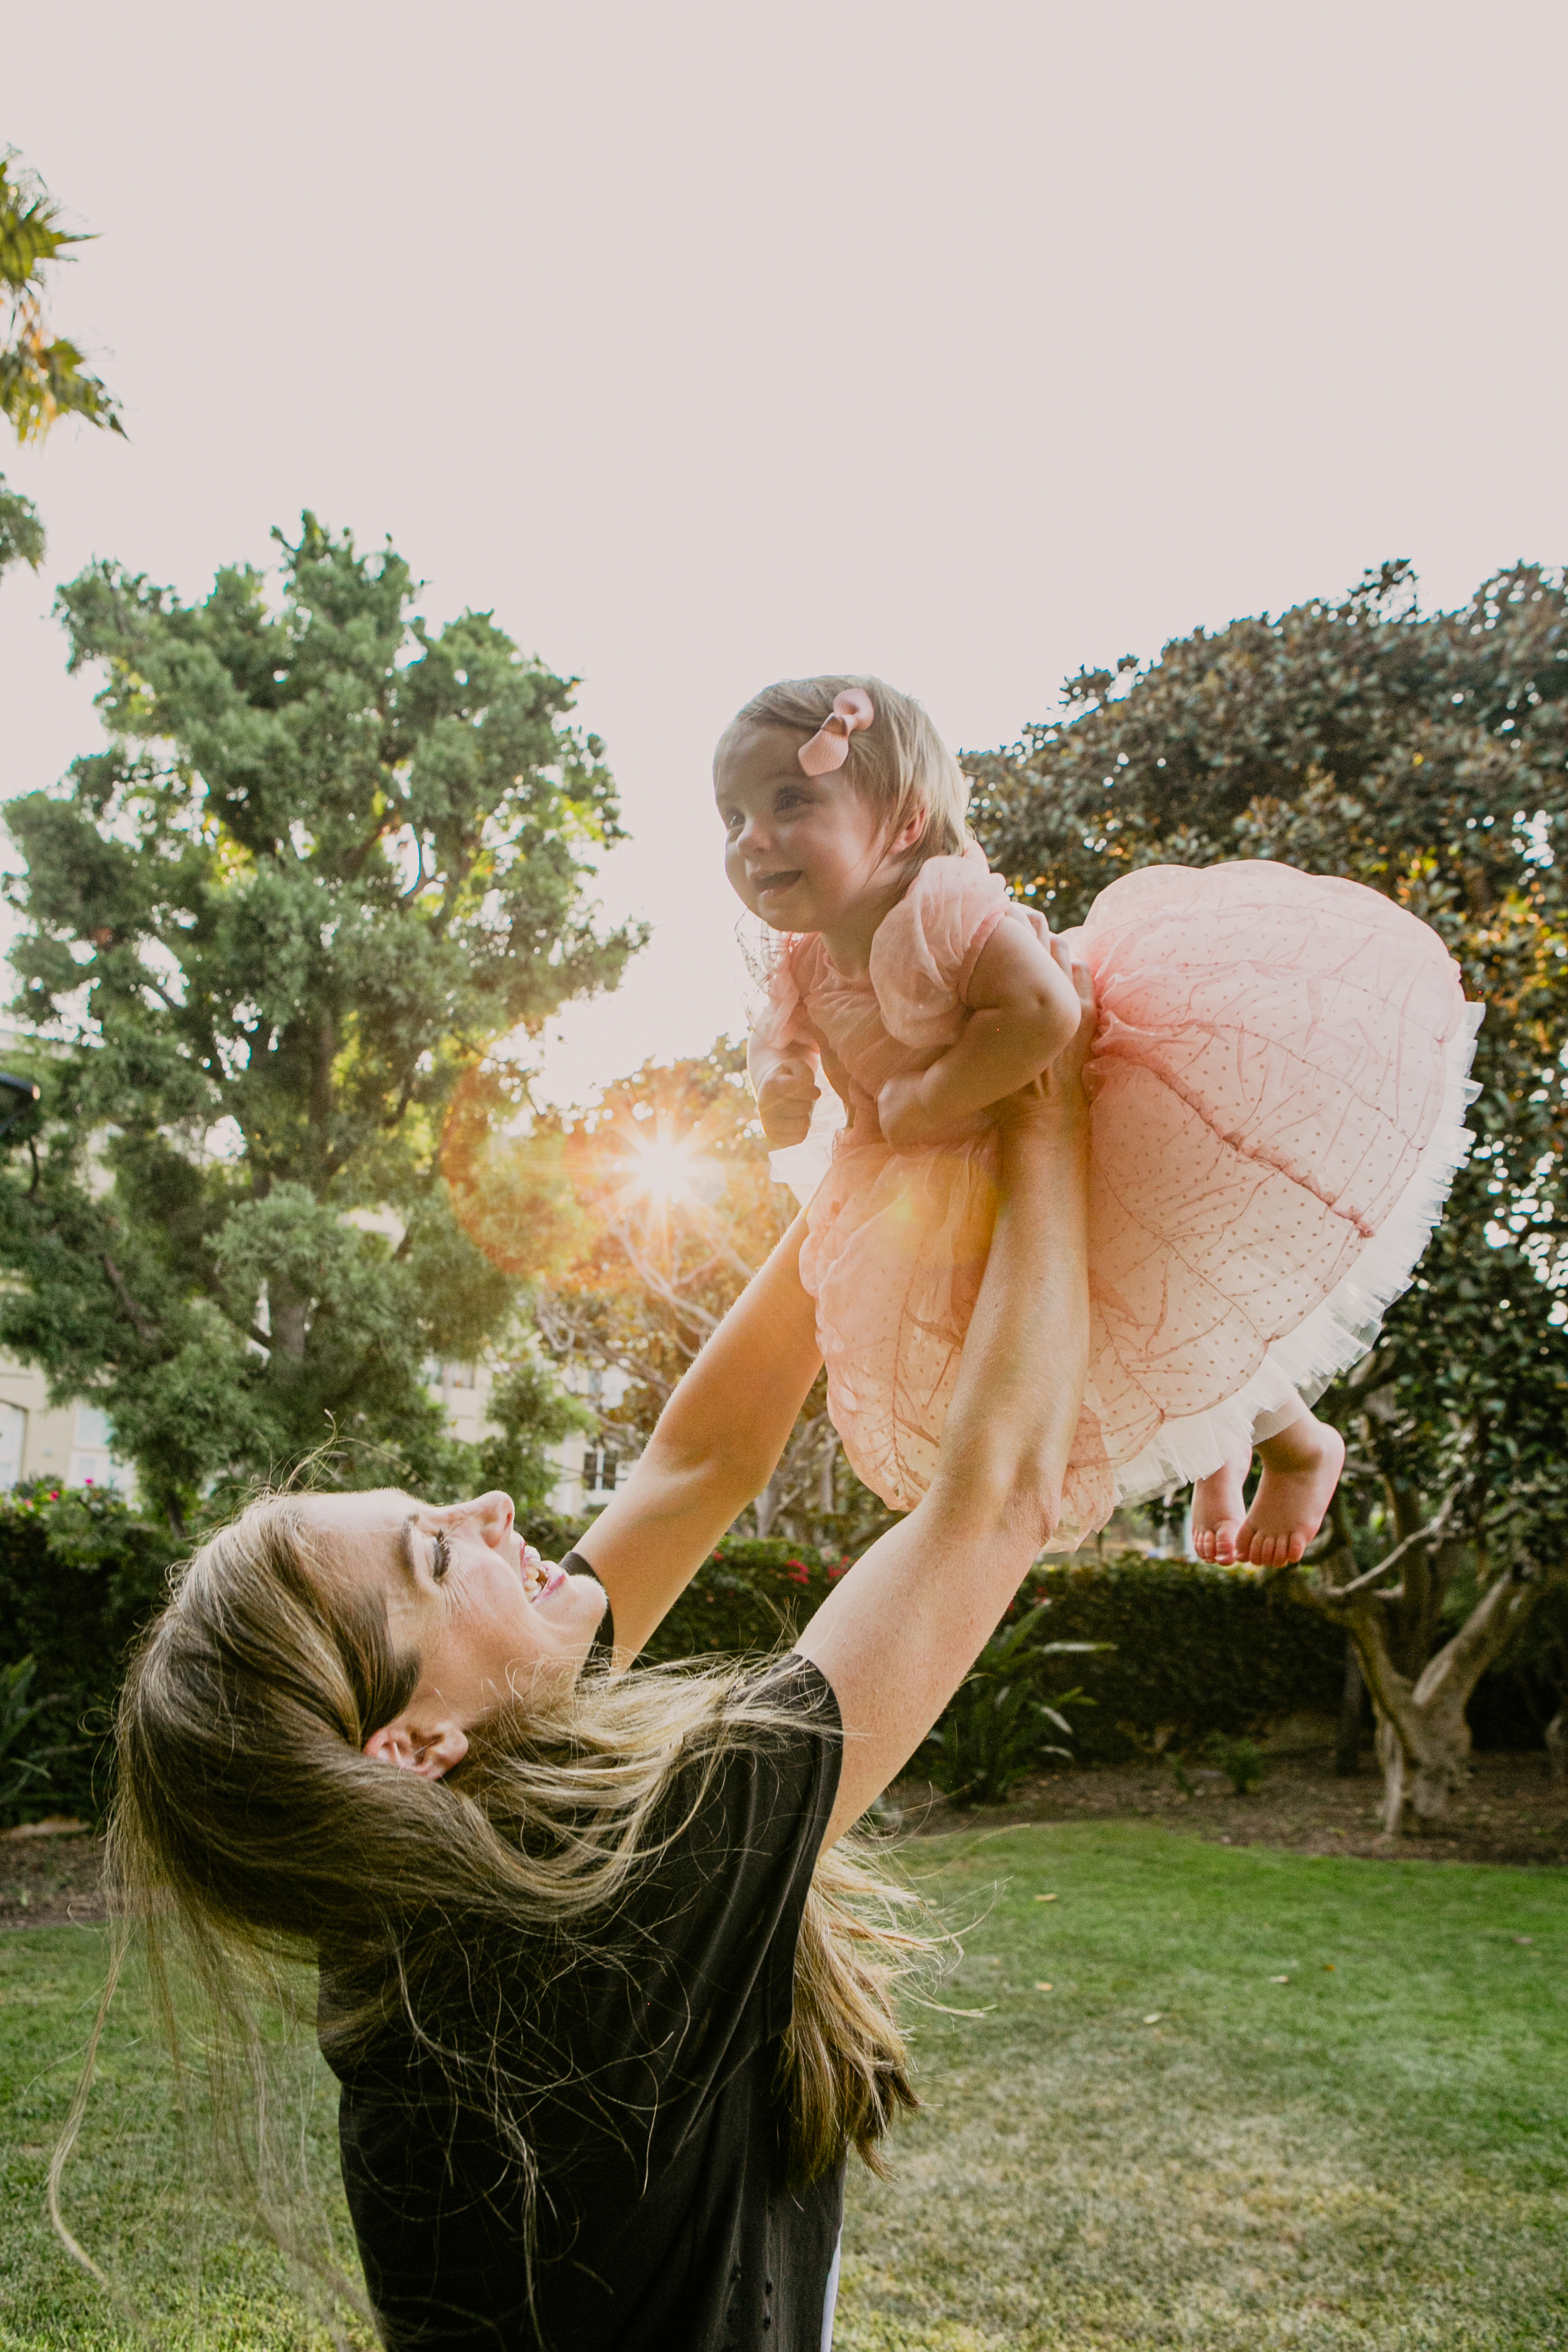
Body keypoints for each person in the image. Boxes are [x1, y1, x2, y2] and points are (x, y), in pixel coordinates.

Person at [77, 947, 1097, 2352]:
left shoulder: (459, 1865)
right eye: (439, 1557)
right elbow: (996, 1502)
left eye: (439, 1509)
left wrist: (867, 1164)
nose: (494, 1511)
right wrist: (1043, 1100)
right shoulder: (609, 1920)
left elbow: (700, 1462)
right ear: (409, 1747)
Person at [716, 674, 1482, 1569]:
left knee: (1163, 1314)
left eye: (790, 801)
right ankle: (1218, 1459)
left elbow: (1041, 1012)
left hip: (1065, 1155)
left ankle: (1299, 1444)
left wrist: (933, 1097)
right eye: (732, 817)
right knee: (1076, 1362)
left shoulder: (948, 916)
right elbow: (781, 1034)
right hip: (943, 1190)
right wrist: (779, 1079)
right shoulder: (802, 960)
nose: (752, 838)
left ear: (908, 821)